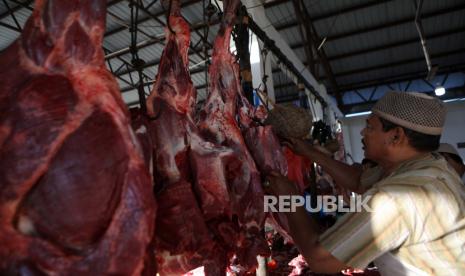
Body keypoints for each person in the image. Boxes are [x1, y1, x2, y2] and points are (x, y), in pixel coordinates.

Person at [263, 91, 465, 275]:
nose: (362, 133)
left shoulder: (399, 195)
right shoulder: (430, 167)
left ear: (396, 136)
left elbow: (320, 260)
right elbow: (359, 180)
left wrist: (289, 200)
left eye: (369, 126)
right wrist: (310, 152)